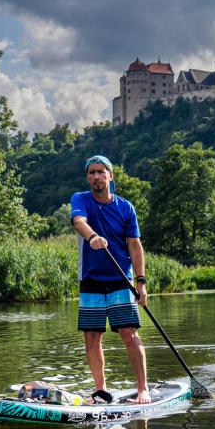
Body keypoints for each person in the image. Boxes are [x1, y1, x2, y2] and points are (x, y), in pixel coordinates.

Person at [70, 155, 151, 404]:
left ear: (110, 176)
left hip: (120, 279)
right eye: (91, 173)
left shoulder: (126, 208)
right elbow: (78, 221)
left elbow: (135, 246)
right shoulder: (80, 199)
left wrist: (141, 281)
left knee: (129, 333)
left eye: (101, 172)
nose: (96, 177)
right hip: (91, 279)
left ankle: (143, 389)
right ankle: (101, 390)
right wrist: (93, 236)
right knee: (92, 336)